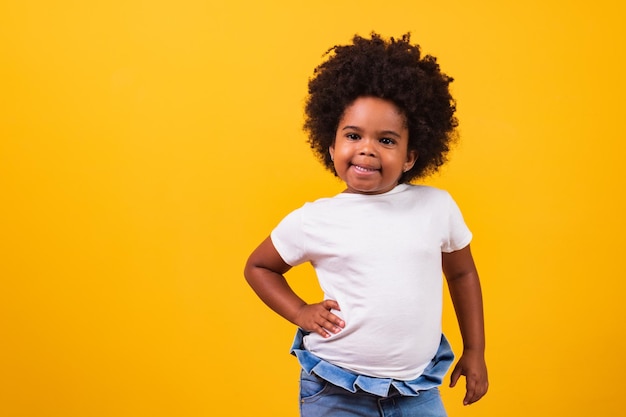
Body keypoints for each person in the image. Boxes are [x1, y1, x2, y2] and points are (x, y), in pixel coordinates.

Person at [244, 32, 488, 417]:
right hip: (335, 389)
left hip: (416, 390)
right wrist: (300, 312)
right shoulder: (315, 218)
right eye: (353, 135)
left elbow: (462, 276)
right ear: (331, 145)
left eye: (387, 140)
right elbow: (259, 267)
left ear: (411, 156)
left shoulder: (436, 207)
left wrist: (475, 350)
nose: (367, 148)